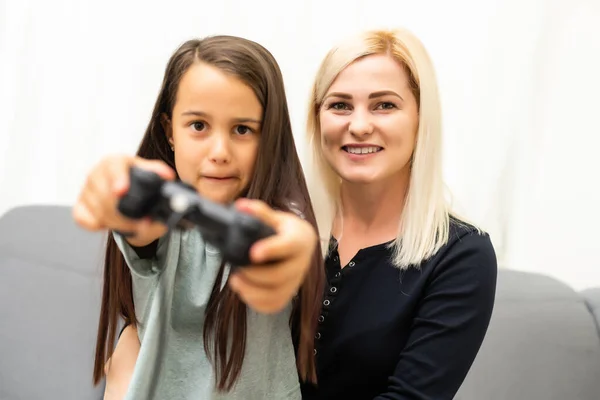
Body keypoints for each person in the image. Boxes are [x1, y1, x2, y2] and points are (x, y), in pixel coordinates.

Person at [72, 35, 325, 399]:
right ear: (169, 131)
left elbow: (292, 237)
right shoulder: (159, 222)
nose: (219, 152)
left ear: (268, 136)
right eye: (198, 126)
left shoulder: (284, 217)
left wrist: (294, 251)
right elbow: (138, 230)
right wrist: (117, 195)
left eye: (242, 129)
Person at [301, 28, 498, 399]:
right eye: (339, 104)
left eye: (384, 105)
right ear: (318, 118)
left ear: (421, 118)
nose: (358, 126)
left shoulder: (462, 256)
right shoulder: (286, 229)